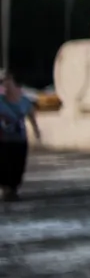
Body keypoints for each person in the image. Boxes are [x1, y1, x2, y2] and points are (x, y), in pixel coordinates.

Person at [0, 73, 40, 201]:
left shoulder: (24, 101)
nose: (5, 85)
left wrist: (36, 130)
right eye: (4, 83)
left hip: (20, 139)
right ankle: (6, 188)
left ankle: (13, 188)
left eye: (7, 82)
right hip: (3, 140)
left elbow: (31, 116)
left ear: (15, 84)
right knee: (4, 165)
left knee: (18, 165)